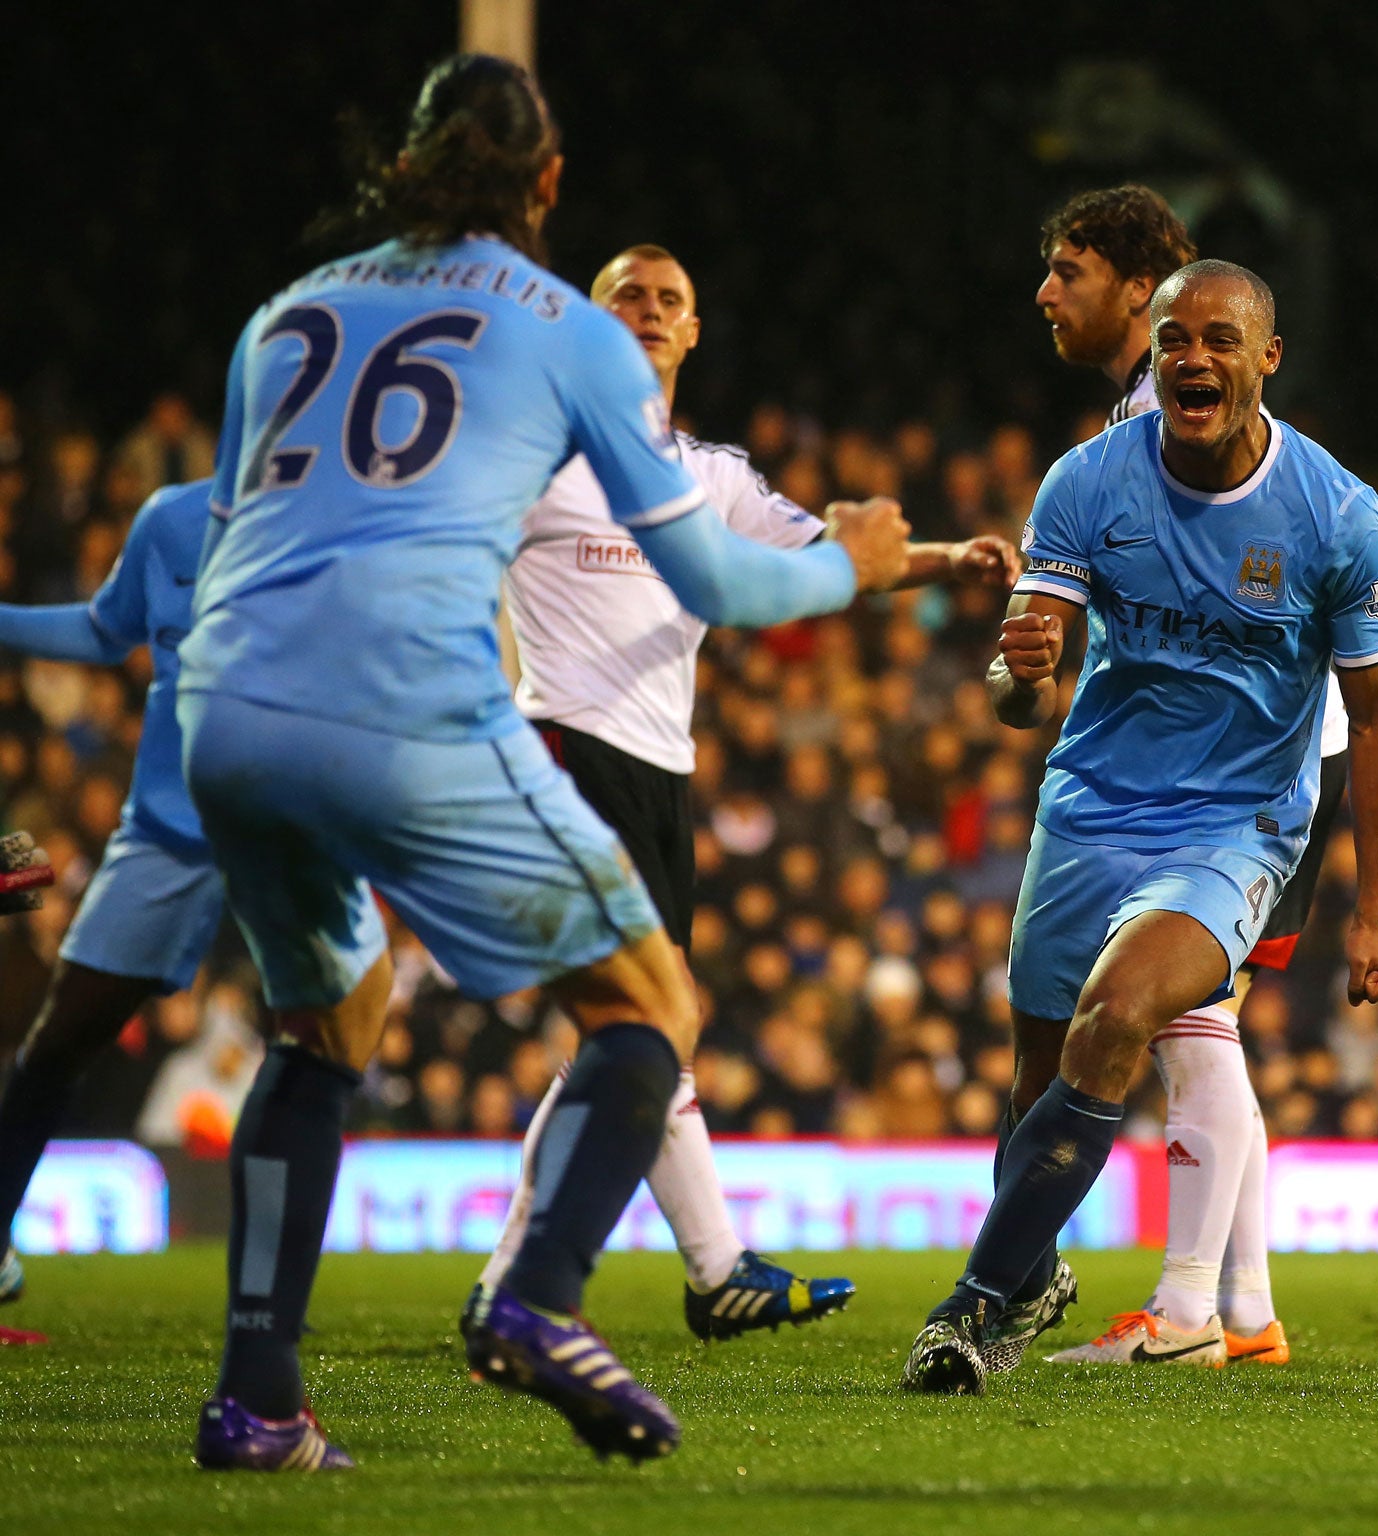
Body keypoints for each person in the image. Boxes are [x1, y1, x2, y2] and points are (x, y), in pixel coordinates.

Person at [179, 54, 907, 1470]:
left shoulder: (283, 315)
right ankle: (534, 1298)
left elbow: (227, 531)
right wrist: (851, 567)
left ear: (401, 158)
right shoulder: (566, 329)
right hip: (404, 697)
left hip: (230, 703)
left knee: (324, 1028)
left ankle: (258, 1403)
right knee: (650, 1009)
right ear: (549, 185)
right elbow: (719, 575)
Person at [470, 242, 1018, 1342]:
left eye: (668, 300)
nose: (648, 309)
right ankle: (668, 1271)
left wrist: (950, 557)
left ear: (692, 334)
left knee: (637, 1030)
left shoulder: (710, 475)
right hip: (564, 748)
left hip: (660, 773)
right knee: (652, 1014)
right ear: (589, 318)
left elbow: (827, 553)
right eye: (626, 293)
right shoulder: (534, 453)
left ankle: (596, 1275)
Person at [902, 260, 1378, 1394]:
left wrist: (1373, 910)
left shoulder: (1337, 517)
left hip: (1237, 824)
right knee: (1040, 1074)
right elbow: (1021, 691)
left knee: (1122, 1012)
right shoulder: (1086, 483)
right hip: (1089, 805)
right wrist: (1014, 674)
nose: (1194, 357)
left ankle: (975, 1308)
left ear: (1266, 359)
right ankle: (1030, 1275)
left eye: (1221, 340)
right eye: (1175, 338)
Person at [1036, 187, 1342, 1368]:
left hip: (1242, 776)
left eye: (1068, 270)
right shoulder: (1142, 425)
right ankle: (1245, 1312)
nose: (1047, 294)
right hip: (1238, 767)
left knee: (1188, 1018)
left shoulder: (1153, 429)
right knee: (1200, 1025)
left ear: (1134, 283)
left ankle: (1188, 1315)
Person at [0, 481, 217, 1332]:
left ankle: (266, 1319)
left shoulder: (342, 519)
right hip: (169, 831)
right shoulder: (171, 519)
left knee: (318, 1043)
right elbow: (103, 627)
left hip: (289, 824)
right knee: (61, 1034)